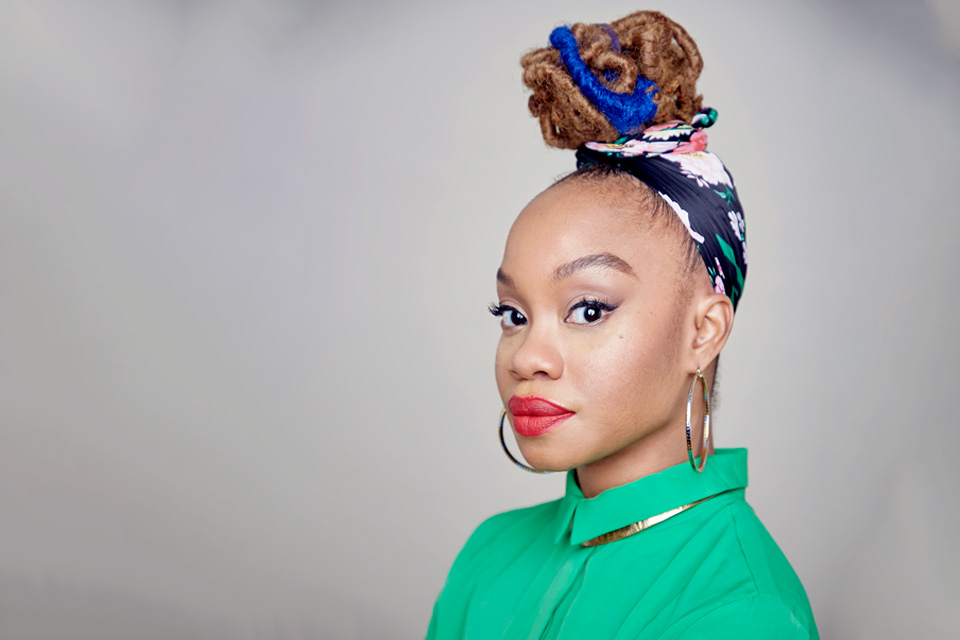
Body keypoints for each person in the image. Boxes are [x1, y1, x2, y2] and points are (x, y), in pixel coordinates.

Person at [426, 9, 818, 639]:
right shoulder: (488, 555)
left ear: (703, 331)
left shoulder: (742, 614)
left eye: (588, 309)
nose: (526, 357)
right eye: (514, 315)